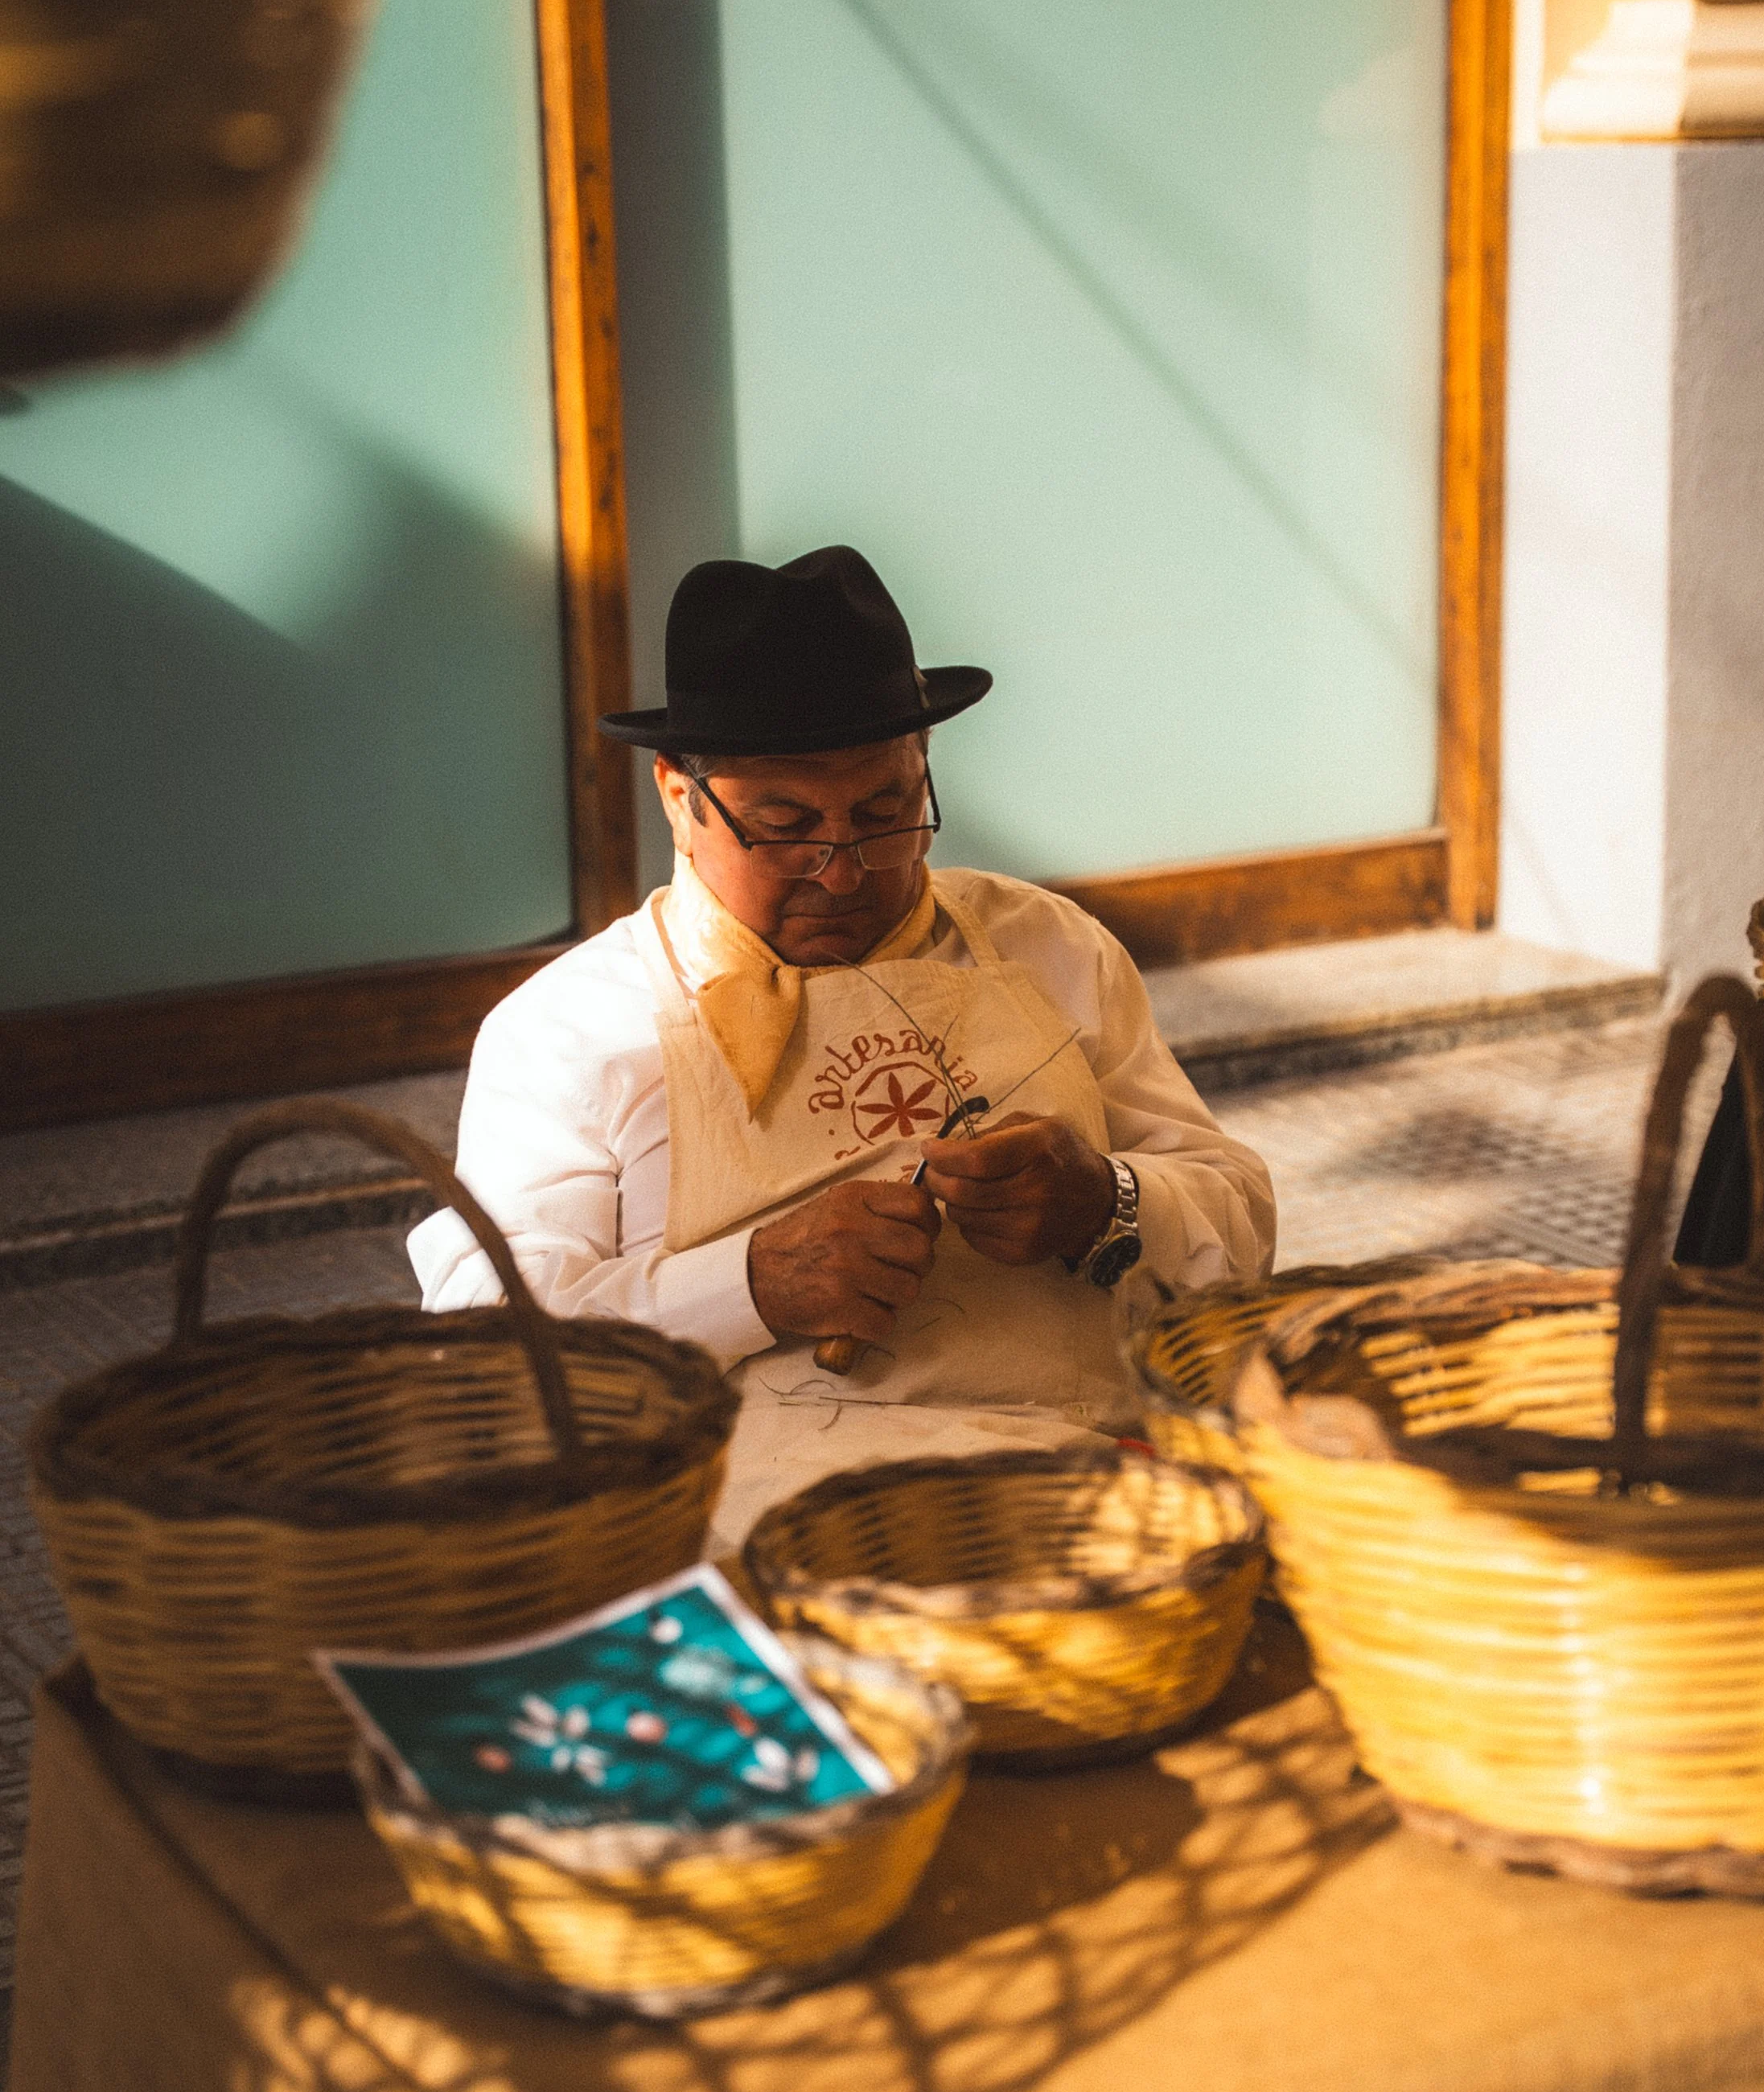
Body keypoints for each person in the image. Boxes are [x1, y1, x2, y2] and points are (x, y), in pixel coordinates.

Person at [411, 545, 1275, 1542]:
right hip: (776, 1521)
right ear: (680, 801)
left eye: (884, 814)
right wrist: (748, 1285)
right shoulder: (571, 1028)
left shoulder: (1049, 946)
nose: (842, 873)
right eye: (784, 827)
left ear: (924, 778)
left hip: (1089, 1482)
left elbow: (1241, 1226)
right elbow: (483, 1349)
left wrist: (1105, 1201)